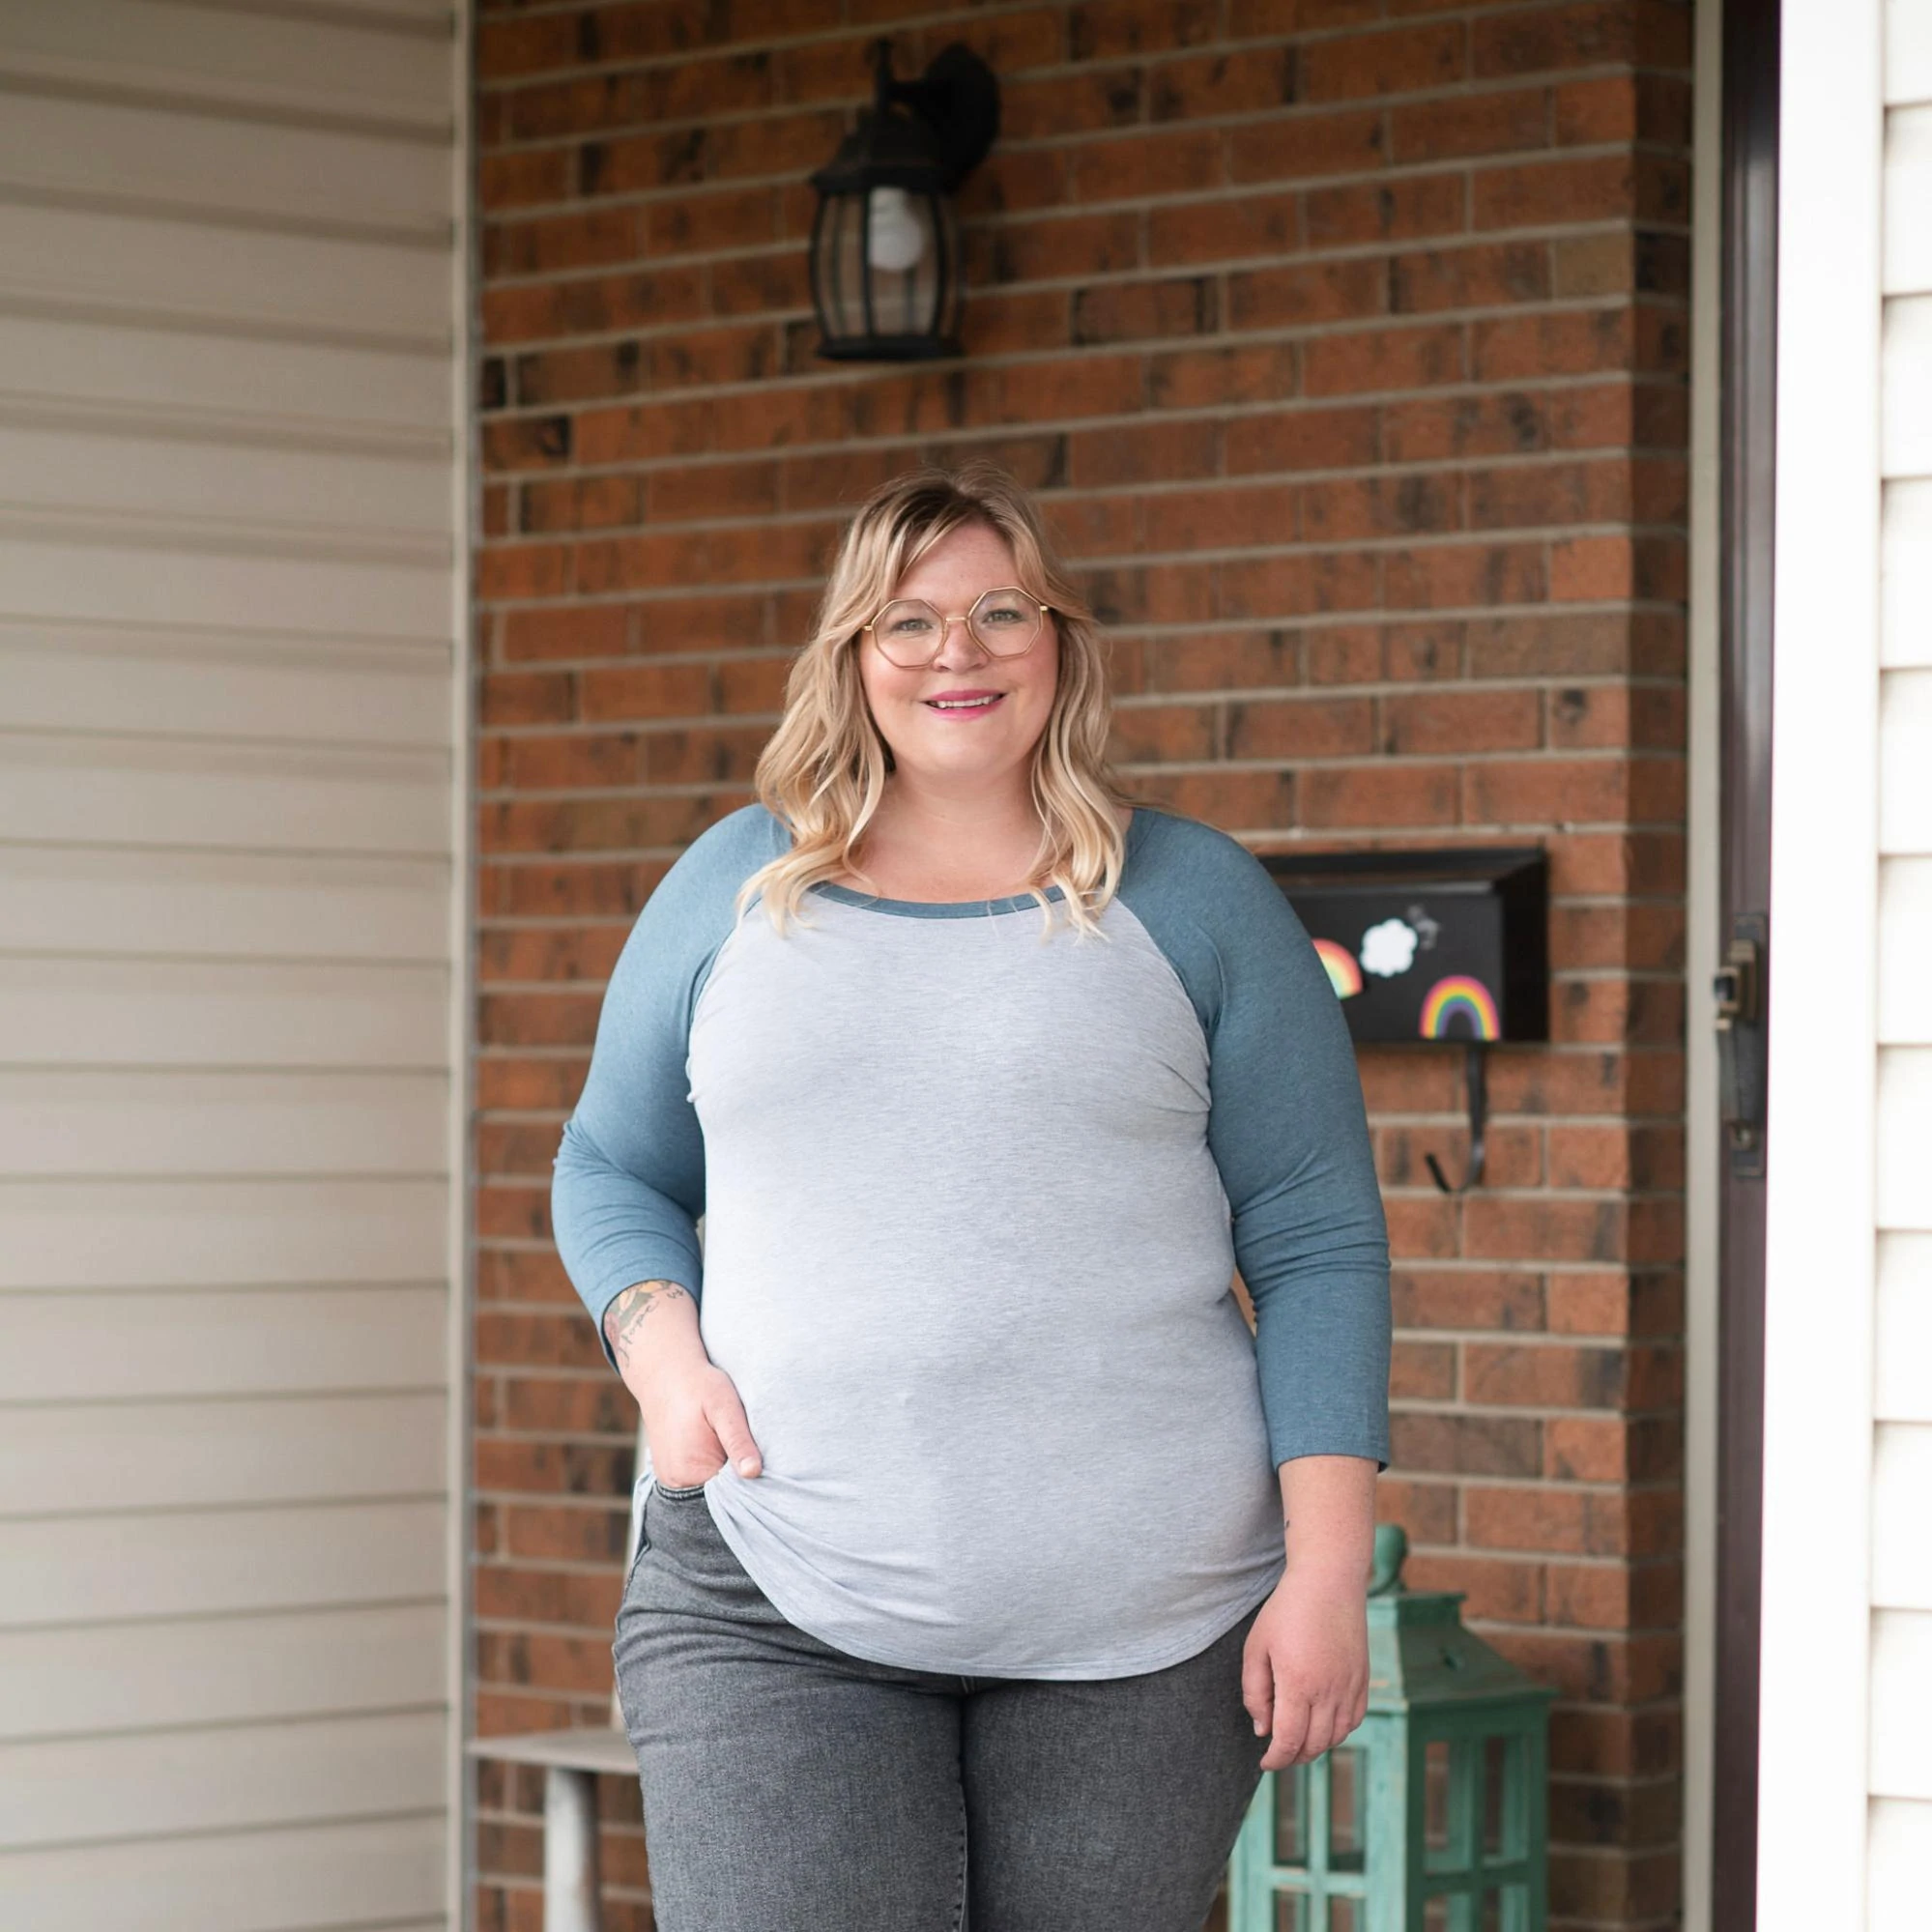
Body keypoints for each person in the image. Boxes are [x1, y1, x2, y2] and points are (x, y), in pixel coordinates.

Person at [549, 462, 1392, 1932]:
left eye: (1002, 612)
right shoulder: (731, 889)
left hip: (1144, 1622)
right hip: (770, 1583)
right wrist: (662, 1353)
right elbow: (611, 1165)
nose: (960, 654)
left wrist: (1324, 1575)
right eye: (910, 620)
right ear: (850, 655)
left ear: (1058, 640)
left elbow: (1316, 1243)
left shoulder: (1192, 897)